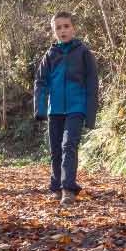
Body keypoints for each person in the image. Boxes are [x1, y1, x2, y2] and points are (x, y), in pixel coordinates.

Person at [33, 11, 99, 205]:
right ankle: (56, 186)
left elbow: (92, 83)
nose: (63, 30)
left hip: (76, 108)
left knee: (68, 145)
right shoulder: (50, 55)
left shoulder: (83, 53)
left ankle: (68, 188)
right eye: (58, 27)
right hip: (55, 110)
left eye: (66, 26)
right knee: (55, 149)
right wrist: (41, 108)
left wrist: (90, 113)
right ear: (54, 31)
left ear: (73, 28)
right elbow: (40, 81)